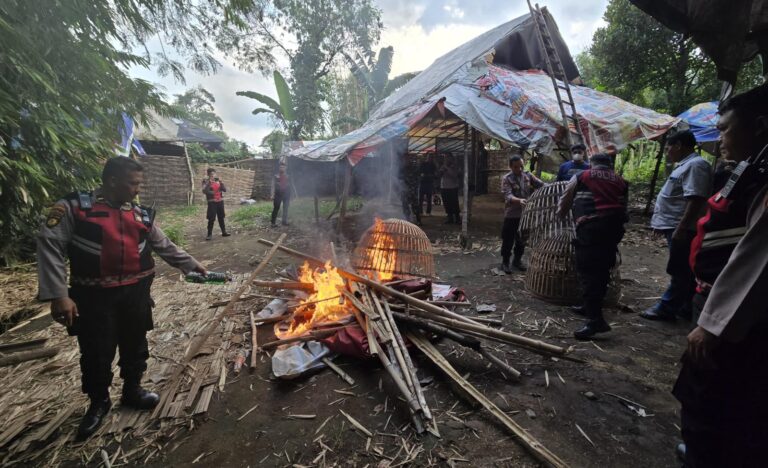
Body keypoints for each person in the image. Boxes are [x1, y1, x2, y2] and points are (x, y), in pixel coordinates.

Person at [36, 157, 207, 440]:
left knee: (135, 343)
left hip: (135, 292)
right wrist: (58, 295)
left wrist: (191, 264)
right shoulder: (74, 208)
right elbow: (50, 247)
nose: (137, 190)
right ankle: (99, 402)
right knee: (96, 351)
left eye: (139, 183)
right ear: (112, 181)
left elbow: (163, 244)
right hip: (93, 296)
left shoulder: (139, 214)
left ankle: (133, 391)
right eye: (133, 183)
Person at [673, 83, 768, 467]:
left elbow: (758, 259)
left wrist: (713, 323)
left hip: (735, 313)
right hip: (712, 294)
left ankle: (705, 453)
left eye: (726, 128)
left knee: (715, 389)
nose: (720, 136)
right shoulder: (750, 167)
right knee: (709, 389)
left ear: (759, 125)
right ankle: (701, 447)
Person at [557, 153, 628, 339]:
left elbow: (565, 202)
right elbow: (623, 208)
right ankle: (588, 307)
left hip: (591, 230)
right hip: (613, 231)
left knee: (588, 273)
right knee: (603, 270)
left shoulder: (582, 176)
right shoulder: (621, 181)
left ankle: (595, 321)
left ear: (592, 164)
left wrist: (561, 216)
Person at [641, 130, 711, 322]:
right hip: (675, 225)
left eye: (669, 147)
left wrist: (681, 227)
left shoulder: (697, 165)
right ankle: (684, 306)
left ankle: (667, 307)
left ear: (679, 145)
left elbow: (695, 198)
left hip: (685, 228)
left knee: (679, 269)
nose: (667, 151)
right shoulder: (685, 165)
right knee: (684, 267)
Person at [500, 155, 544, 272]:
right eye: (516, 167)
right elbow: (508, 195)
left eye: (521, 166)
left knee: (522, 239)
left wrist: (551, 187)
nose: (519, 169)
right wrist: (519, 200)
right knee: (508, 239)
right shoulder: (507, 178)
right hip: (512, 214)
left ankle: (517, 261)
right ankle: (505, 262)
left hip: (526, 214)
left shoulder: (528, 175)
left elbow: (541, 185)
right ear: (510, 167)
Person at [202, 168, 231, 240]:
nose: (213, 175)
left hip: (220, 201)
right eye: (211, 174)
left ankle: (224, 232)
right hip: (212, 202)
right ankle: (209, 235)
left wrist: (221, 182)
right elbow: (205, 191)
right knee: (211, 218)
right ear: (208, 175)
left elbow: (224, 190)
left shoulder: (217, 180)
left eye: (214, 174)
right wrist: (209, 183)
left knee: (221, 217)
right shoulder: (205, 181)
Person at [438, 155, 461, 224]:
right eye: (445, 158)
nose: (446, 159)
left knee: (454, 203)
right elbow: (439, 175)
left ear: (451, 158)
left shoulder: (455, 166)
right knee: (446, 203)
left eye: (448, 158)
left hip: (452, 188)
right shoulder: (443, 166)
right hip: (444, 187)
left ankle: (457, 218)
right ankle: (450, 218)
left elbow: (454, 175)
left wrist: (447, 168)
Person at [401, 157, 422, 225]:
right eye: (405, 159)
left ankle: (418, 220)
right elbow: (399, 179)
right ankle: (407, 220)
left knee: (415, 206)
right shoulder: (402, 169)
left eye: (407, 159)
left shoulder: (414, 168)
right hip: (404, 190)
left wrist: (413, 185)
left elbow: (418, 178)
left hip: (413, 190)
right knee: (405, 206)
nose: (406, 161)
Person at [271, 161, 291, 227]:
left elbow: (290, 185)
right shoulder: (276, 176)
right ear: (279, 168)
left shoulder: (288, 176)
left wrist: (290, 194)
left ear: (286, 168)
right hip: (278, 194)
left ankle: (284, 221)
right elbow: (273, 185)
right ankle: (273, 223)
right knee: (276, 208)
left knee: (286, 208)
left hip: (286, 194)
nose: (282, 168)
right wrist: (272, 194)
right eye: (281, 167)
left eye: (283, 167)